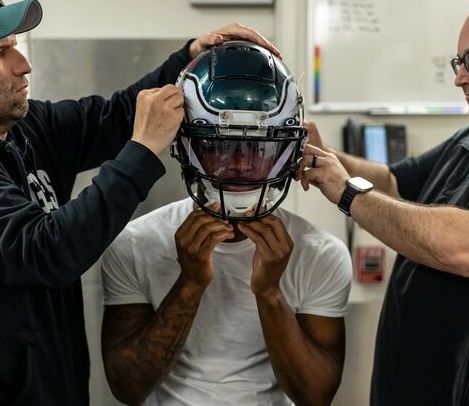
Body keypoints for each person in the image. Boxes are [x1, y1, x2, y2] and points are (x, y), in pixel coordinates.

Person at [0, 0, 279, 404]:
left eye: (15, 46)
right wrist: (142, 153)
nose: (23, 65)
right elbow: (43, 251)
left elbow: (115, 116)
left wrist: (188, 57)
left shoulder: (15, 125)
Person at [300, 0, 469, 406]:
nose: (460, 77)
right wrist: (324, 155)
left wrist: (345, 191)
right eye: (459, 62)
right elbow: (392, 182)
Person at [100, 41, 352, 406]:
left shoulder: (320, 253)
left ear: (288, 153)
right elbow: (127, 388)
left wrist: (269, 293)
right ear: (187, 148)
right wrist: (189, 284)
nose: (240, 165)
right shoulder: (135, 244)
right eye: (219, 148)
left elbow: (315, 396)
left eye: (259, 150)